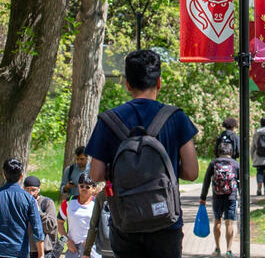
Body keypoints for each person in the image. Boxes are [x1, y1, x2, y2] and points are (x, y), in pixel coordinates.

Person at [86, 49, 200, 258]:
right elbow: (192, 172)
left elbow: (96, 175)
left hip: (126, 223)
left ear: (127, 84)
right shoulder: (176, 118)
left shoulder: (108, 121)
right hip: (166, 222)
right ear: (159, 83)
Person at [0, 159, 45, 258]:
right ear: (21, 176)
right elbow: (37, 228)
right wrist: (41, 254)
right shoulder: (29, 199)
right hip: (20, 251)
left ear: (4, 174)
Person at [199, 141, 240, 258]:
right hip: (231, 197)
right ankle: (228, 250)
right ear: (231, 152)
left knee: (217, 221)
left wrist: (203, 197)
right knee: (229, 223)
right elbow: (240, 182)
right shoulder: (235, 164)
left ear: (218, 152)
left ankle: (217, 249)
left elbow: (206, 181)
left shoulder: (213, 163)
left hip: (217, 197)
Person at [23, 176, 61, 258]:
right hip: (25, 250)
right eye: (27, 190)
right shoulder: (21, 203)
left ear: (39, 189)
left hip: (45, 251)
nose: (30, 193)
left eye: (33, 190)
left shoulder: (47, 203)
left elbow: (51, 226)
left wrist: (38, 211)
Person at [63, 178, 102, 258]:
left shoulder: (97, 204)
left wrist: (90, 241)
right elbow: (59, 222)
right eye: (81, 186)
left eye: (87, 187)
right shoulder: (68, 202)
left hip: (92, 247)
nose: (84, 188)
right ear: (78, 186)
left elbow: (102, 225)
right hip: (73, 248)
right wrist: (68, 241)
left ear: (94, 188)